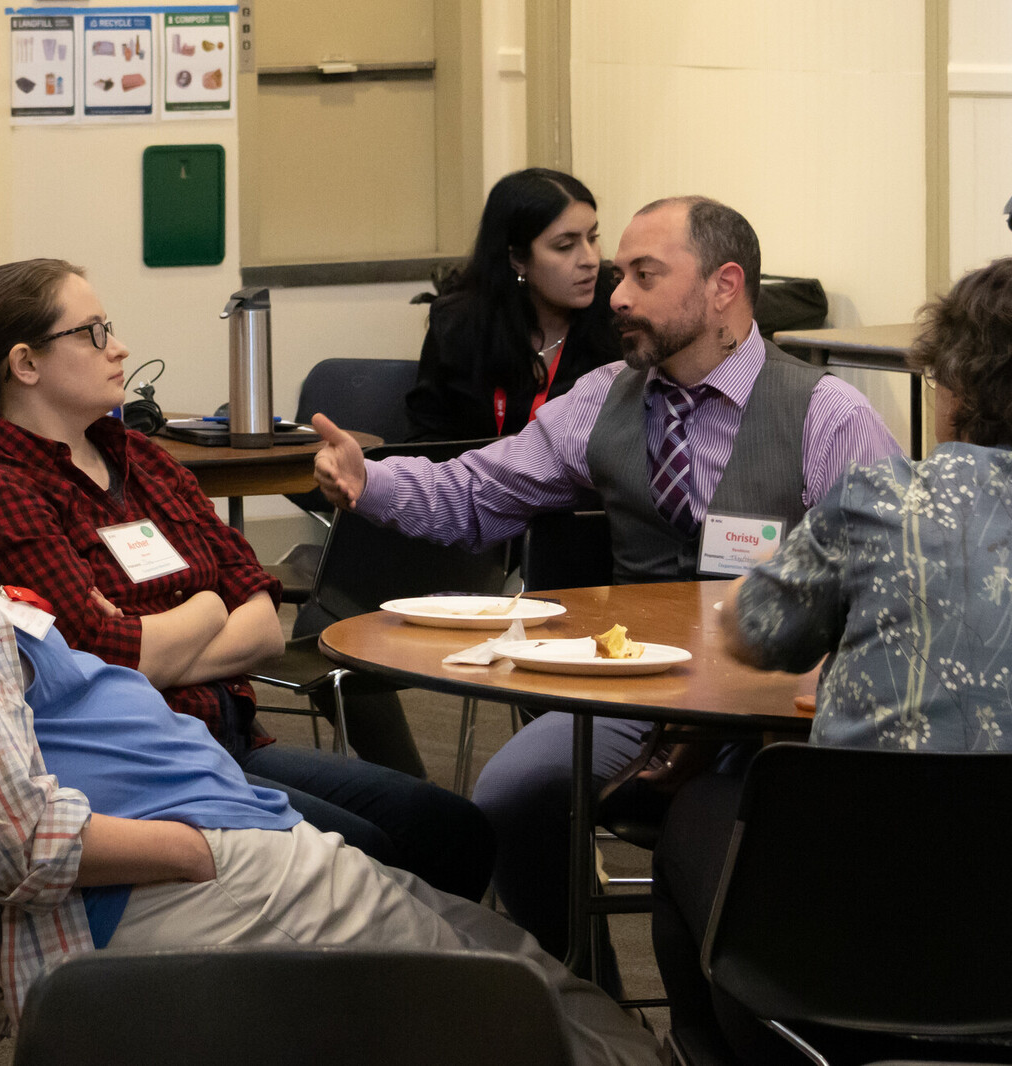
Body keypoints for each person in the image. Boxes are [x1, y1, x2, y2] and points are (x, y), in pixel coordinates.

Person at [0, 300, 657, 1065]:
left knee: (485, 946)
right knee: (515, 999)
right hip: (159, 874)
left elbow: (219, 604)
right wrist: (196, 850)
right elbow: (15, 840)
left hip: (199, 815)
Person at [311, 195, 902, 968]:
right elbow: (477, 493)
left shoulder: (827, 415)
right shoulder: (599, 399)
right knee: (514, 790)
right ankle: (585, 1002)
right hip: (636, 690)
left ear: (724, 286)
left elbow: (898, 577)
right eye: (621, 274)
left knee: (759, 827)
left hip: (777, 708)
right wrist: (370, 483)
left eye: (645, 276)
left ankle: (756, 1012)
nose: (617, 296)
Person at [652, 253, 1012, 1062]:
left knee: (697, 811)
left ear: (953, 385)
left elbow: (755, 632)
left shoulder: (878, 501)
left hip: (839, 989)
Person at [0, 260, 494, 903]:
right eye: (91, 333)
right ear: (25, 364)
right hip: (152, 774)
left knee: (455, 831)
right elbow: (105, 664)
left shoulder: (141, 458)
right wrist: (207, 605)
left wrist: (159, 634)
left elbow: (261, 624)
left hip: (230, 740)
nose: (119, 348)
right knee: (375, 857)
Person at [406, 168, 621, 442]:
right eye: (566, 246)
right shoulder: (458, 323)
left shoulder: (616, 313)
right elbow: (426, 439)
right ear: (518, 259)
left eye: (593, 238)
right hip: (477, 483)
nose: (590, 259)